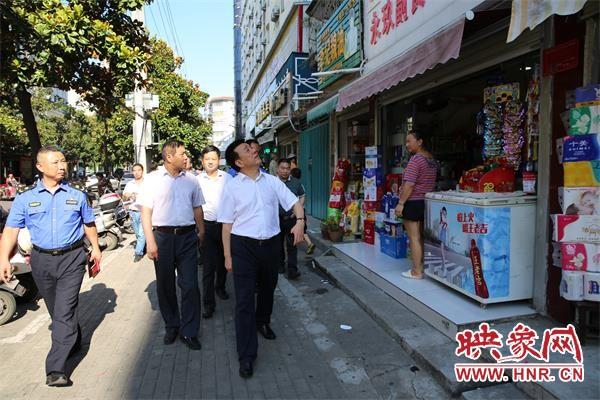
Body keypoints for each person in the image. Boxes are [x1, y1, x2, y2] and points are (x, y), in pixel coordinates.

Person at [0, 145, 102, 387]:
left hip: (72, 258)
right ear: (40, 167)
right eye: (55, 162)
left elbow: (89, 224)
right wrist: (3, 258)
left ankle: (56, 368)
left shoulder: (77, 195)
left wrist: (96, 248)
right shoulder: (25, 199)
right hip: (41, 260)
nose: (62, 166)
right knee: (57, 310)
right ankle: (73, 339)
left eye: (63, 161)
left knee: (64, 310)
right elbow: (11, 230)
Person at [218, 139, 305, 379]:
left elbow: (295, 203)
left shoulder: (272, 181)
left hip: (270, 245)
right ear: (238, 162)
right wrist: (227, 256)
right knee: (244, 300)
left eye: (252, 148)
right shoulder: (232, 187)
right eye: (247, 150)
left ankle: (263, 321)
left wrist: (300, 222)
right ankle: (246, 355)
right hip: (242, 247)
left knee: (268, 288)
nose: (254, 150)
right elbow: (226, 225)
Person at [140, 140, 206, 350]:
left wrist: (201, 230)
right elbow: (146, 212)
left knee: (191, 285)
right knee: (165, 285)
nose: (186, 157)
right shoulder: (151, 180)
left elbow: (197, 207)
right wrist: (150, 241)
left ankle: (189, 331)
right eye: (182, 154)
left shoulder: (192, 180)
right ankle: (172, 325)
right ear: (169, 157)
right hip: (163, 238)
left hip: (188, 237)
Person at [394, 131, 438, 279]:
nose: (407, 145)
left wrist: (401, 203)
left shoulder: (416, 160)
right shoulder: (431, 159)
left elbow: (409, 185)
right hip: (426, 201)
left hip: (413, 202)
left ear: (419, 142)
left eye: (409, 141)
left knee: (414, 237)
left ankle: (416, 271)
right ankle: (423, 266)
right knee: (421, 237)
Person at [197, 145, 232, 319]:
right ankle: (208, 303)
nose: (210, 161)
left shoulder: (228, 178)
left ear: (219, 160)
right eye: (207, 159)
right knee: (208, 267)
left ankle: (221, 287)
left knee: (223, 260)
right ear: (202, 161)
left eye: (214, 158)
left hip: (225, 226)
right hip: (206, 226)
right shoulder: (196, 180)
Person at [277, 159, 305, 279]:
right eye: (282, 168)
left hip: (291, 219)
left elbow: (302, 195)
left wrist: (297, 210)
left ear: (290, 169)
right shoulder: (272, 182)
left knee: (292, 244)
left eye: (287, 168)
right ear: (278, 169)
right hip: (277, 219)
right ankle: (280, 265)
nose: (284, 171)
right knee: (278, 244)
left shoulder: (296, 182)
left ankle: (292, 270)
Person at [122, 163, 146, 262]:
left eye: (139, 170)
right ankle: (143, 247)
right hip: (133, 212)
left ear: (142, 171)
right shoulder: (129, 184)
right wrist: (128, 195)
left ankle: (138, 253)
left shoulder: (147, 183)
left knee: (141, 233)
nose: (137, 172)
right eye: (135, 170)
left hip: (144, 212)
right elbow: (123, 197)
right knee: (137, 233)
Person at [290, 168, 316, 255]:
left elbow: (301, 198)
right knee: (302, 229)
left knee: (302, 230)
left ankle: (310, 244)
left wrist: (296, 212)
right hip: (302, 211)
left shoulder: (295, 184)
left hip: (297, 212)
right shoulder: (300, 184)